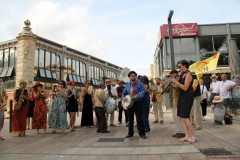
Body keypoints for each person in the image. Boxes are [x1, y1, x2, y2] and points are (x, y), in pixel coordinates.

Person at [171, 60, 197, 143]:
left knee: (185, 117)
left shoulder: (188, 74)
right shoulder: (181, 75)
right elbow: (180, 88)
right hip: (182, 97)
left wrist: (176, 82)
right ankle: (187, 136)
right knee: (181, 118)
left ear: (185, 66)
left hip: (187, 97)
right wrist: (172, 85)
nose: (178, 69)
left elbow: (185, 87)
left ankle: (193, 136)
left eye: (179, 67)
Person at [122, 71, 146, 139]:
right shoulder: (127, 85)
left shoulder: (140, 84)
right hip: (130, 104)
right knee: (130, 119)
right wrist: (124, 98)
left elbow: (142, 93)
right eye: (131, 75)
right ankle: (130, 133)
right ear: (129, 77)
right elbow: (123, 93)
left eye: (134, 75)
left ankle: (142, 133)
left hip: (138, 103)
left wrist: (140, 96)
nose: (133, 76)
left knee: (139, 119)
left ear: (135, 76)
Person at [165, 69, 185, 138]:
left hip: (178, 101)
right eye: (171, 75)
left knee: (178, 117)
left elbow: (178, 88)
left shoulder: (179, 80)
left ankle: (182, 131)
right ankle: (178, 131)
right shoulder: (171, 81)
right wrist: (164, 86)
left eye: (172, 74)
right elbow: (167, 91)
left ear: (175, 74)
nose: (171, 76)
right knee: (174, 117)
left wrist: (171, 84)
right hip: (172, 101)